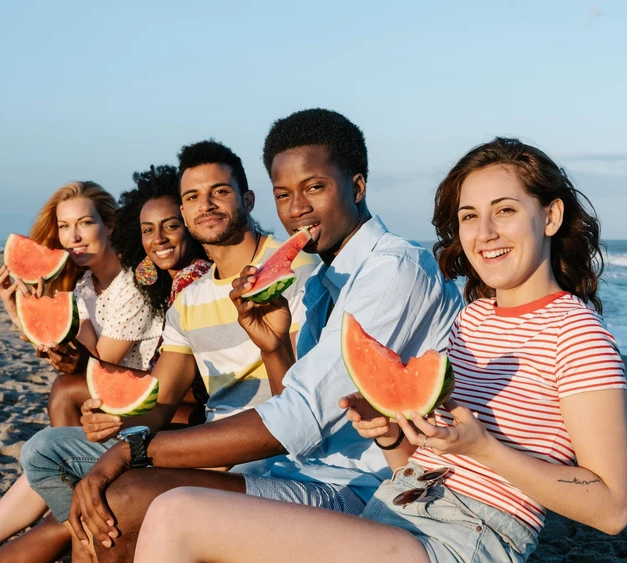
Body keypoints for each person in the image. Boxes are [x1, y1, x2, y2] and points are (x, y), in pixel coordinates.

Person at [131, 137, 627, 563]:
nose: (484, 234)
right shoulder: (474, 318)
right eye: (469, 216)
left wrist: (484, 448)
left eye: (504, 211)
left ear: (550, 216)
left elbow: (612, 509)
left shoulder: (578, 335)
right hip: (399, 507)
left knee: (176, 514)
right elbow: (422, 463)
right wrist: (392, 436)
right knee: (173, 511)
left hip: (467, 540)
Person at [64, 109, 463, 563]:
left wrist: (132, 449)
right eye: (283, 194)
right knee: (110, 511)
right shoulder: (320, 283)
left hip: (368, 492)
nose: (297, 209)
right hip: (307, 472)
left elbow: (300, 418)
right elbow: (298, 408)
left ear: (356, 187)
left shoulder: (394, 271)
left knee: (124, 496)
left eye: (315, 187)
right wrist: (273, 347)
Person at [15, 140, 318, 563]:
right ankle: (106, 543)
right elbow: (160, 400)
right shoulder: (188, 299)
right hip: (203, 445)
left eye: (220, 191)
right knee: (43, 451)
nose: (205, 205)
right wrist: (116, 417)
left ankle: (107, 543)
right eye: (192, 197)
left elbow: (301, 404)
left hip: (264, 451)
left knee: (112, 495)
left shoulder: (301, 273)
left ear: (247, 199)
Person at [0, 172, 209, 561]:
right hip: (125, 400)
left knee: (65, 393)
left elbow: (99, 367)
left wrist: (54, 336)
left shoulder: (134, 282)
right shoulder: (84, 285)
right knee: (63, 397)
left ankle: (42, 515)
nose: (74, 236)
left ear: (110, 226)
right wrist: (18, 310)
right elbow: (62, 350)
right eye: (65, 227)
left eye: (85, 223)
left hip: (160, 402)